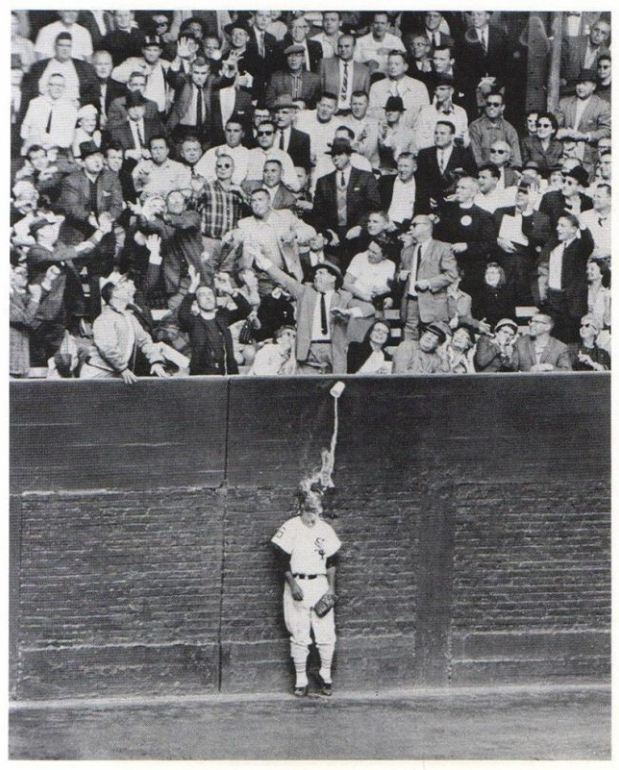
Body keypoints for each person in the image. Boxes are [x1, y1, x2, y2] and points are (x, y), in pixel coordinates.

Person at [271, 478, 341, 697]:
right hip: (298, 583)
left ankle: (325, 674)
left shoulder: (325, 529)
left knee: (326, 633)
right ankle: (301, 679)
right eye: (309, 507)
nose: (313, 511)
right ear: (302, 506)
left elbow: (331, 561)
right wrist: (292, 584)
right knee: (300, 632)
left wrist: (330, 589)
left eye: (316, 507)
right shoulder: (290, 527)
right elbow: (280, 558)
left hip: (319, 583)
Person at [253, 251, 363, 374]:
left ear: (333, 278)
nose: (316, 276)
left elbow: (369, 309)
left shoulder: (344, 297)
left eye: (321, 273)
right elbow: (285, 279)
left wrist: (352, 312)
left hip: (334, 350)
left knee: (333, 389)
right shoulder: (305, 293)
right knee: (306, 388)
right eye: (315, 274)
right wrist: (261, 258)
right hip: (309, 350)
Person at [80, 275, 169, 382]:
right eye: (120, 288)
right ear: (115, 294)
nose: (125, 289)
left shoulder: (129, 317)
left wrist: (156, 361)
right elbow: (107, 348)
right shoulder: (104, 319)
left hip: (117, 374)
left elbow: (145, 341)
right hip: (98, 374)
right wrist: (123, 369)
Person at [178, 267, 252, 376]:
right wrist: (192, 287)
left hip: (226, 373)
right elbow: (182, 314)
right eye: (203, 295)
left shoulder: (223, 317)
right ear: (197, 302)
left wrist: (231, 291)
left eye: (210, 294)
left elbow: (246, 310)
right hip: (202, 376)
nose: (208, 298)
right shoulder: (193, 321)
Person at [398, 214, 458, 341]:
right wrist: (400, 276)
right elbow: (399, 273)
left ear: (426, 227)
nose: (410, 228)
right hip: (410, 302)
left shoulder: (443, 248)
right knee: (409, 339)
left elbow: (452, 274)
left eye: (414, 225)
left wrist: (429, 283)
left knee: (433, 339)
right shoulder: (406, 251)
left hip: (433, 303)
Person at [538, 213, 594, 344]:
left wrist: (582, 223)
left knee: (570, 341)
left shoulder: (580, 246)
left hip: (571, 302)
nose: (558, 228)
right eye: (558, 225)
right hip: (553, 300)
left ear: (574, 229)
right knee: (554, 341)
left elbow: (588, 243)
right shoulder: (554, 246)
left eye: (562, 226)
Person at [555, 69, 611, 175]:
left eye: (584, 84)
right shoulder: (564, 103)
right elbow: (554, 126)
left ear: (593, 86)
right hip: (564, 150)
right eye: (578, 84)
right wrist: (563, 131)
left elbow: (607, 130)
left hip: (587, 153)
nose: (580, 87)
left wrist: (585, 136)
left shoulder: (602, 105)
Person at [414, 120, 477, 212]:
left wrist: (459, 195)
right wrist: (426, 198)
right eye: (436, 133)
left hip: (456, 206)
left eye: (442, 133)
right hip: (429, 206)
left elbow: (473, 178)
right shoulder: (424, 154)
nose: (438, 136)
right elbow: (419, 181)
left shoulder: (463, 154)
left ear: (452, 136)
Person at [468, 90, 522, 168]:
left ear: (502, 107)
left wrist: (511, 173)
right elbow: (476, 156)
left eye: (496, 105)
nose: (491, 107)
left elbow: (516, 158)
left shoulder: (509, 128)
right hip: (483, 171)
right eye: (489, 104)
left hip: (504, 172)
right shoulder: (475, 126)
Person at [319, 34, 370, 114]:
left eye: (347, 46)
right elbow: (319, 90)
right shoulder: (325, 64)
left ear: (354, 47)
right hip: (331, 112)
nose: (343, 49)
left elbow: (365, 97)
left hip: (353, 113)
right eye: (340, 46)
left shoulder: (364, 70)